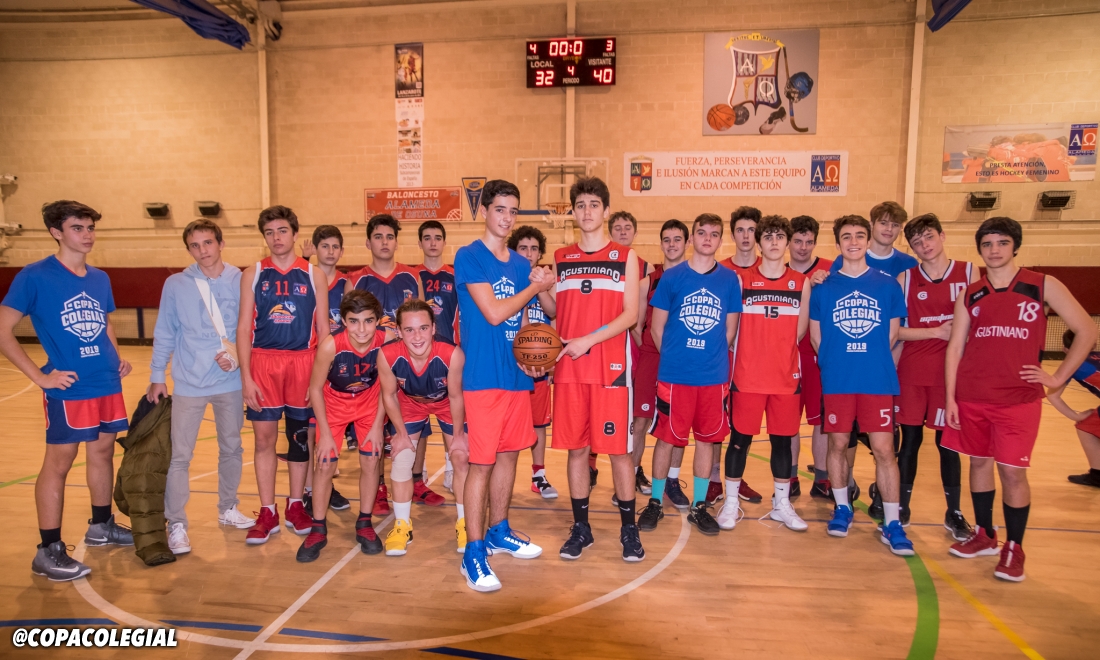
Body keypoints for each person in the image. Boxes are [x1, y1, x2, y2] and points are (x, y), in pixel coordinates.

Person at [943, 217, 1096, 582]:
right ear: (979, 249)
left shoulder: (1043, 285)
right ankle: (984, 535)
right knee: (978, 465)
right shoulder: (972, 293)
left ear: (1015, 246)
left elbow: (1087, 329)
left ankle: (1015, 547)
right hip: (972, 395)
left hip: (1018, 400)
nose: (994, 250)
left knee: (1012, 472)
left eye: (1001, 243)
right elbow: (955, 347)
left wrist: (1058, 377)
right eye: (987, 244)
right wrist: (950, 397)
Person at [0, 200, 133, 581]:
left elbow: (103, 322)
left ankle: (101, 525)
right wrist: (40, 377)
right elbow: (2, 329)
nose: (87, 235)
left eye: (90, 228)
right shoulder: (34, 276)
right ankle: (48, 549)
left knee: (103, 452)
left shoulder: (99, 278)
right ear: (56, 232)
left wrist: (117, 357)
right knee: (58, 463)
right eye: (78, 228)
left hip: (106, 382)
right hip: (69, 388)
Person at [455, 179, 553, 592]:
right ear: (484, 211)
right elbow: (494, 313)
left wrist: (536, 358)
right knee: (482, 464)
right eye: (500, 209)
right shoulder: (469, 257)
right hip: (483, 379)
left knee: (511, 455)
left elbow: (532, 319)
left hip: (515, 377)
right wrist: (536, 285)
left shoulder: (518, 263)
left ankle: (499, 530)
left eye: (513, 211)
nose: (507, 218)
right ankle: (473, 552)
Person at [148, 219, 254, 556]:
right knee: (180, 456)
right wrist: (156, 374)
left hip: (230, 382)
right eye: (195, 245)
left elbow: (250, 328)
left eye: (208, 243)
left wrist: (236, 357)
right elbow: (165, 330)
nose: (202, 251)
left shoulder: (242, 279)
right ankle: (176, 523)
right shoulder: (176, 284)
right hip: (189, 383)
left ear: (221, 243)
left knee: (232, 448)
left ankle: (227, 508)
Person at [551, 177, 643, 562]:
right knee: (577, 451)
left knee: (618, 453)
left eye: (594, 205)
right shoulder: (560, 257)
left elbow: (631, 315)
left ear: (606, 211)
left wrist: (588, 339)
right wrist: (541, 288)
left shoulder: (626, 257)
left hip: (611, 369)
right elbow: (556, 312)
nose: (587, 211)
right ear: (573, 213)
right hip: (570, 370)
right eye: (581, 205)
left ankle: (629, 530)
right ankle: (581, 528)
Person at [809, 215, 913, 556]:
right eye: (846, 237)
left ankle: (893, 522)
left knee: (885, 450)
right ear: (837, 245)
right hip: (838, 380)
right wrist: (835, 363)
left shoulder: (887, 285)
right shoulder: (823, 286)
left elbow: (893, 334)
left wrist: (870, 361)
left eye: (858, 236)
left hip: (876, 380)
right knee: (838, 445)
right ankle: (842, 508)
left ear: (867, 241)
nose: (853, 241)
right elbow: (815, 335)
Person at [640, 213, 741, 537]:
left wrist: (705, 358)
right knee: (666, 439)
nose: (707, 238)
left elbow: (729, 332)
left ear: (720, 240)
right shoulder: (672, 278)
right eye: (702, 232)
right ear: (693, 238)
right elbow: (656, 329)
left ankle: (699, 505)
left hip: (712, 378)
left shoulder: (728, 280)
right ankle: (655, 501)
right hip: (675, 376)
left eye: (714, 233)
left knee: (707, 441)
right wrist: (677, 360)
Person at [237, 205, 330, 544]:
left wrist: (317, 379)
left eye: (282, 231)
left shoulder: (313, 274)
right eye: (269, 233)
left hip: (302, 365)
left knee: (298, 439)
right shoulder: (254, 273)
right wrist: (246, 378)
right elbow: (243, 328)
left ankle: (294, 504)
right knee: (263, 440)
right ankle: (267, 510)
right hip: (263, 364)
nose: (276, 238)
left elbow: (323, 332)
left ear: (294, 233)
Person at [722, 215, 811, 532]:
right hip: (747, 377)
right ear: (758, 243)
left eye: (780, 236)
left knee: (783, 444)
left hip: (785, 380)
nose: (774, 241)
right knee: (739, 441)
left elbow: (799, 333)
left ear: (787, 243)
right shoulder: (741, 280)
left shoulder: (801, 283)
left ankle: (781, 504)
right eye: (768, 236)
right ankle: (731, 503)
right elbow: (731, 329)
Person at [348, 215, 442, 513]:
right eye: (378, 237)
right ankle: (377, 488)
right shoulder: (357, 279)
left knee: (419, 424)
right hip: (372, 365)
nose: (385, 242)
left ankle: (415, 480)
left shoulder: (411, 277)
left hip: (406, 363)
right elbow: (351, 326)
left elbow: (423, 320)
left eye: (390, 236)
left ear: (396, 242)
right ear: (368, 242)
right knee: (373, 427)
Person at [894, 214, 978, 540]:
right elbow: (896, 330)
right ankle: (900, 506)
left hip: (951, 376)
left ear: (942, 236)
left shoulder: (969, 272)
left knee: (948, 445)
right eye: (916, 242)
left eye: (928, 237)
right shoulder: (905, 280)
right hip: (913, 372)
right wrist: (936, 331)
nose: (924, 245)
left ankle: (954, 512)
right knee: (910, 442)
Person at [295, 290, 392, 562]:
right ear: (344, 321)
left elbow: (388, 387)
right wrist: (324, 433)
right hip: (334, 403)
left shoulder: (388, 340)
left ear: (379, 320)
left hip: (370, 402)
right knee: (325, 462)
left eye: (369, 321)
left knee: (372, 459)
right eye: (354, 321)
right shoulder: (331, 345)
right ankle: (318, 526)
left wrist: (377, 425)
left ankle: (364, 522)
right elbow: (314, 389)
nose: (361, 329)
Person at [377, 299, 469, 555]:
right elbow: (389, 396)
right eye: (409, 329)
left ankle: (464, 523)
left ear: (433, 328)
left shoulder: (452, 353)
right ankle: (402, 525)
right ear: (398, 330)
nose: (417, 336)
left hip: (446, 403)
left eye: (423, 328)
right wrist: (401, 435)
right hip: (410, 402)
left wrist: (459, 436)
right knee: (402, 458)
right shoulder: (387, 355)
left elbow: (455, 397)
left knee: (461, 458)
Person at [633, 219, 691, 510]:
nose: (671, 244)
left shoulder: (694, 278)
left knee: (677, 426)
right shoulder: (648, 281)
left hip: (681, 361)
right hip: (651, 358)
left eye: (677, 239)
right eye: (666, 239)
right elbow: (636, 323)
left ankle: (671, 480)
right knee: (641, 422)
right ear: (661, 244)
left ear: (686, 243)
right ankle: (630, 477)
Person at [590, 210, 650, 489]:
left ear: (635, 233)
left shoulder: (646, 268)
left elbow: (639, 314)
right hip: (601, 348)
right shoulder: (597, 260)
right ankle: (590, 466)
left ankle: (634, 470)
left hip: (635, 351)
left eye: (628, 227)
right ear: (609, 231)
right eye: (618, 228)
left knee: (634, 418)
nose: (623, 232)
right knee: (592, 413)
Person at [301, 225, 352, 511]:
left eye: (335, 247)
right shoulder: (306, 277)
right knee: (311, 432)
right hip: (309, 360)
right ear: (316, 249)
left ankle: (326, 485)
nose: (330, 252)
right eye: (325, 246)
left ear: (341, 251)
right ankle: (311, 489)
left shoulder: (347, 283)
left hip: (338, 363)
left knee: (331, 431)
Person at [507, 225, 559, 499]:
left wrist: (539, 286)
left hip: (539, 363)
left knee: (539, 423)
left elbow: (553, 311)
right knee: (512, 423)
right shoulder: (507, 276)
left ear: (541, 253)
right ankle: (504, 475)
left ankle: (538, 475)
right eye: (523, 248)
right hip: (512, 364)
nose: (529, 253)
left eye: (534, 248)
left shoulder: (549, 279)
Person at [717, 205, 764, 505]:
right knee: (716, 422)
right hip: (723, 356)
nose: (746, 236)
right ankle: (710, 479)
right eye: (740, 230)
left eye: (751, 229)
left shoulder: (770, 267)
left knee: (742, 427)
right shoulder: (719, 269)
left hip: (757, 361)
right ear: (732, 233)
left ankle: (738, 477)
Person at [787, 215, 832, 500]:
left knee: (820, 420)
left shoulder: (830, 270)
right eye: (798, 241)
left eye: (809, 242)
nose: (803, 247)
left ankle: (822, 479)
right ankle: (790, 477)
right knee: (789, 421)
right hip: (786, 353)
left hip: (818, 353)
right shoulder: (776, 269)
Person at [415, 220, 460, 491]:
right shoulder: (410, 276)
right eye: (427, 238)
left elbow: (463, 317)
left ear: (444, 242)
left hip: (448, 355)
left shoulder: (454, 277)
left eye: (437, 237)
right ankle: (417, 472)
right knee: (417, 420)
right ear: (419, 243)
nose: (433, 242)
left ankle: (452, 468)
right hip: (416, 359)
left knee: (451, 417)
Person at [1047, 330, 1100, 488]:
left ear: (1065, 350)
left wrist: (1075, 416)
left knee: (1085, 425)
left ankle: (1097, 476)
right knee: (1089, 425)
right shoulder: (1097, 354)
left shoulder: (1074, 364)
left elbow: (1052, 396)